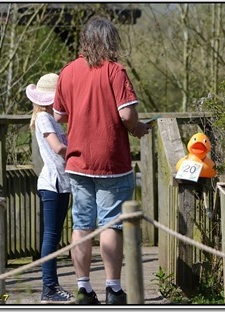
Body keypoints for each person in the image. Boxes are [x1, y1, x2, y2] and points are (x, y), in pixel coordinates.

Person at [53, 16, 151, 305]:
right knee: (111, 224)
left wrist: (81, 112)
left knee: (81, 225)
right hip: (111, 159)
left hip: (78, 160)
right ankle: (113, 289)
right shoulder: (114, 71)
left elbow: (58, 115)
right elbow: (127, 115)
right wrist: (138, 129)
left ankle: (83, 288)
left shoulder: (68, 72)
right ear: (110, 41)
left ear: (85, 41)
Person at [26, 73, 75, 304]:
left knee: (53, 236)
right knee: (51, 236)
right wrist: (81, 154)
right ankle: (49, 288)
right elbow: (57, 148)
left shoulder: (50, 117)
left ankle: (51, 287)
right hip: (53, 183)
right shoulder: (44, 118)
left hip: (61, 182)